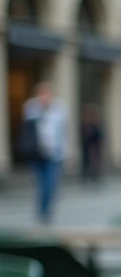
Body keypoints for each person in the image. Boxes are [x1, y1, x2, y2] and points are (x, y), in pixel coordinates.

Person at [21, 82, 67, 224]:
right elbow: (28, 129)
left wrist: (65, 152)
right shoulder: (31, 107)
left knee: (50, 184)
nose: (44, 97)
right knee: (41, 184)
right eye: (42, 94)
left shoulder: (60, 109)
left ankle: (46, 211)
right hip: (37, 153)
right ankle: (42, 211)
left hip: (54, 153)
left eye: (47, 94)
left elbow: (64, 133)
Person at [79, 103, 104, 185]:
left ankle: (94, 177)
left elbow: (99, 135)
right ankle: (86, 177)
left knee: (94, 162)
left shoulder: (96, 123)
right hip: (87, 147)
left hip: (94, 147)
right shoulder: (84, 123)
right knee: (87, 162)